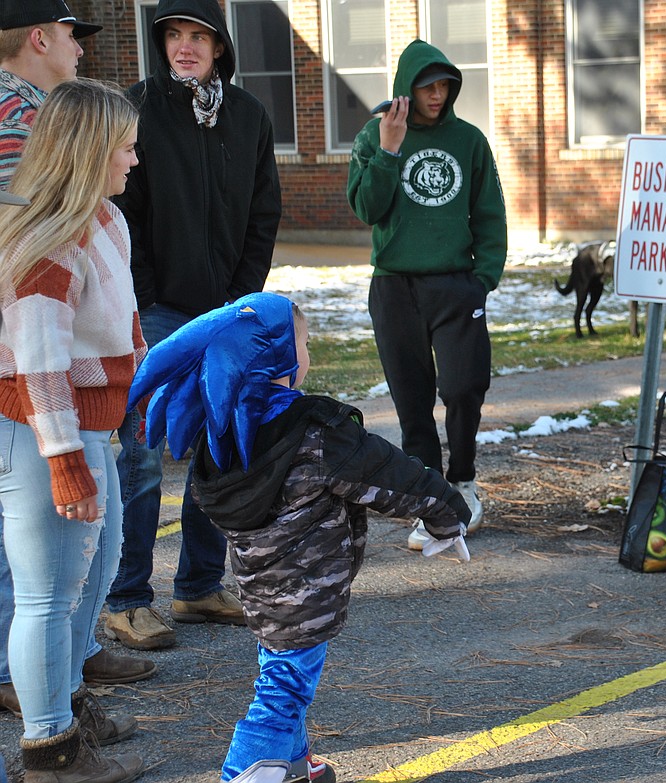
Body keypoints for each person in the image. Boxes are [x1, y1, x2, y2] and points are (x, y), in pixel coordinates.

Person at [125, 292, 470, 783]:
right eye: (304, 343)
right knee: (283, 688)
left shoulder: (223, 437)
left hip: (260, 590)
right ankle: (242, 771)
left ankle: (290, 763)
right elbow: (392, 477)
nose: (308, 353)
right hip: (311, 592)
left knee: (284, 672)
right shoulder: (318, 432)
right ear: (277, 355)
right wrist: (446, 515)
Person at [106, 0, 282, 651]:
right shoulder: (138, 110)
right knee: (143, 454)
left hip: (226, 309)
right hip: (155, 309)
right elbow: (123, 214)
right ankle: (126, 598)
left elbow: (264, 214)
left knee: (220, 444)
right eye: (173, 35)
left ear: (219, 46)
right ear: (162, 43)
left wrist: (242, 300)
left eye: (197, 36)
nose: (185, 47)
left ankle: (201, 584)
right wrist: (145, 297)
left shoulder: (250, 118)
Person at [0, 0, 159, 715]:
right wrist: (62, 454)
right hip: (41, 423)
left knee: (90, 574)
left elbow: (121, 321)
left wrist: (148, 380)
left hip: (94, 419)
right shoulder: (49, 235)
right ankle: (51, 741)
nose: (134, 158)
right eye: (124, 147)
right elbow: (37, 357)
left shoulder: (107, 217)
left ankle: (66, 696)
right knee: (45, 591)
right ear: (90, 148)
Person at [347, 39, 506, 551]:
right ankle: (430, 501)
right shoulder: (375, 135)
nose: (437, 95)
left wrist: (483, 278)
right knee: (412, 399)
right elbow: (368, 208)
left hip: (455, 284)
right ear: (405, 88)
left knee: (463, 387)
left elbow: (489, 212)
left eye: (444, 85)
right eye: (427, 85)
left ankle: (463, 480)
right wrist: (390, 149)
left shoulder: (469, 140)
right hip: (394, 285)